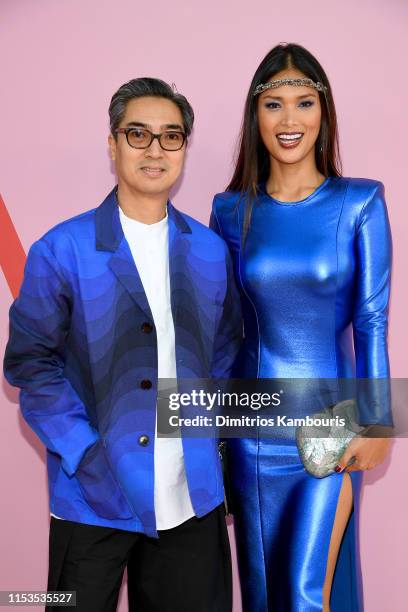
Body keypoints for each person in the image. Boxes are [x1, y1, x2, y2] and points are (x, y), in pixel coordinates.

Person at [3, 77, 241, 612]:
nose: (155, 150)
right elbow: (30, 365)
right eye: (138, 134)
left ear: (184, 148)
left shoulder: (208, 250)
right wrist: (85, 454)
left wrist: (213, 450)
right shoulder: (61, 249)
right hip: (92, 497)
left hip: (190, 503)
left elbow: (223, 357)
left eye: (171, 136)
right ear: (112, 145)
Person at [210, 43, 392, 611]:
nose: (290, 121)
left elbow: (372, 320)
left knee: (305, 595)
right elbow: (225, 327)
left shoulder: (361, 201)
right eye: (274, 105)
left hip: (330, 427)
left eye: (304, 103)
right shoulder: (229, 209)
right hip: (253, 434)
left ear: (324, 112)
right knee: (264, 596)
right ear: (255, 114)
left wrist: (379, 420)